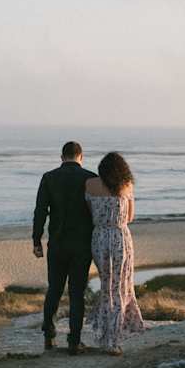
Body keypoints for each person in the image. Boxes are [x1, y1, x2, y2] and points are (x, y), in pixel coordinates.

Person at [32, 141, 96, 354]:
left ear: (62, 157)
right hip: (82, 244)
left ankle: (49, 337)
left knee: (54, 290)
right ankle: (74, 341)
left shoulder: (49, 177)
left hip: (57, 243)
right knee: (77, 293)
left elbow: (40, 211)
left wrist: (36, 241)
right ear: (81, 156)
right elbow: (97, 213)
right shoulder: (91, 178)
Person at [84, 151, 144, 355]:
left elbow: (89, 213)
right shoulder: (127, 186)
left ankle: (106, 335)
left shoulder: (90, 185)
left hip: (99, 238)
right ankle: (113, 339)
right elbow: (130, 217)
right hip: (120, 238)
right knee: (120, 286)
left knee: (107, 285)